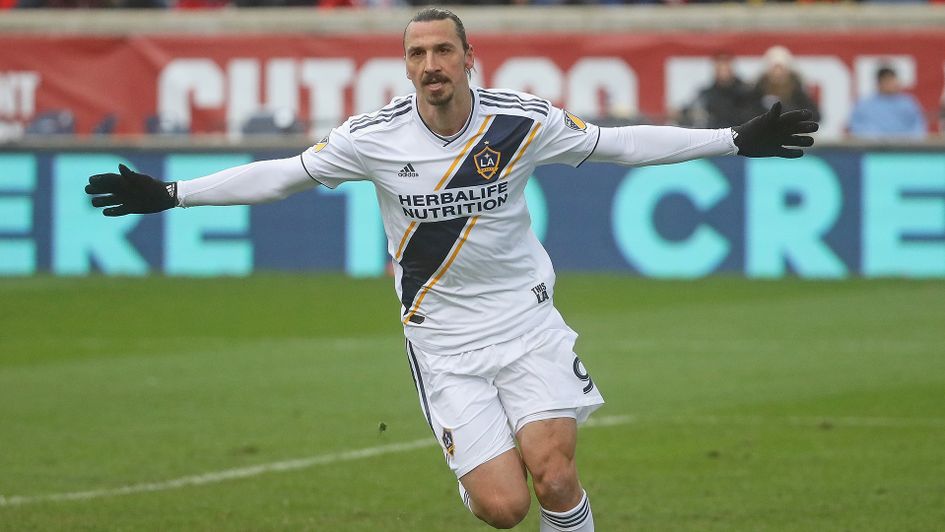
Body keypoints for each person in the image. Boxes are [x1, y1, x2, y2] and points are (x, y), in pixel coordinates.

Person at [85, 8, 817, 530]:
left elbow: (619, 145)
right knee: (504, 508)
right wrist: (174, 194)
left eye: (442, 51)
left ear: (468, 59)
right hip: (442, 341)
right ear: (405, 67)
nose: (430, 65)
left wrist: (731, 140)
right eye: (416, 54)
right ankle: (476, 476)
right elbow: (284, 176)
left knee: (555, 474)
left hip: (526, 320)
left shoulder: (520, 121)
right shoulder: (371, 138)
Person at [680, 52, 764, 129]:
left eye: (726, 65)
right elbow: (691, 111)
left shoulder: (747, 92)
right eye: (720, 67)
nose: (723, 70)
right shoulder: (706, 94)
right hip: (715, 139)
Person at [848, 65, 927, 139]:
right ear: (879, 83)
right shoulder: (864, 105)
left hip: (905, 149)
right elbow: (857, 128)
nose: (892, 84)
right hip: (873, 149)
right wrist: (877, 140)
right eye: (887, 81)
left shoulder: (908, 103)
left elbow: (918, 126)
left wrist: (907, 141)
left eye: (893, 81)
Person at [753, 45, 820, 123]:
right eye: (774, 69)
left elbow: (815, 116)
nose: (777, 73)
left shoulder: (797, 91)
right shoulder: (758, 91)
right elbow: (746, 116)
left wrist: (786, 110)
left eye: (781, 69)